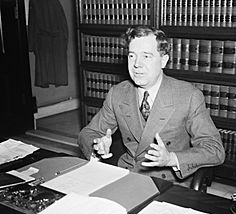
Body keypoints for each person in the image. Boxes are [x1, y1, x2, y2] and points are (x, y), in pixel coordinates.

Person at [78, 26, 225, 187]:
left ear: (163, 61)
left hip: (169, 182)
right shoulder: (118, 93)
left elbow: (214, 149)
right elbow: (88, 132)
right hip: (127, 175)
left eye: (146, 56)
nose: (136, 65)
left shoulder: (188, 96)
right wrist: (96, 145)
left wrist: (171, 158)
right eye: (132, 56)